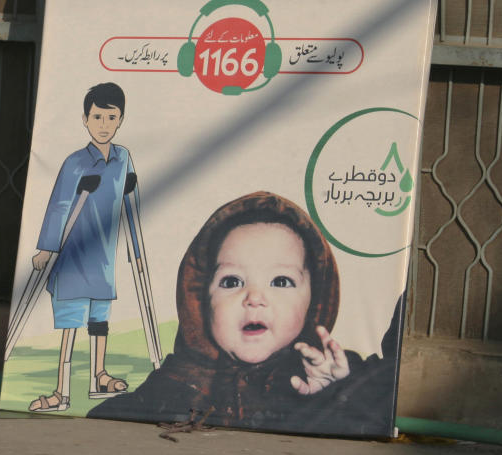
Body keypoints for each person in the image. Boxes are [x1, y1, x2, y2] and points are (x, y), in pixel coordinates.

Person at [88, 191, 401, 437]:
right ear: (199, 299)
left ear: (314, 302)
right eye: (232, 281)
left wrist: (335, 393)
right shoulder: (175, 382)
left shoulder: (329, 373)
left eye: (280, 281)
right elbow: (100, 422)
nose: (254, 298)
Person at [27, 82, 143, 412]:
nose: (104, 124)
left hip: (103, 256)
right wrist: (47, 249)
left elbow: (130, 197)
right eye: (97, 117)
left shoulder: (123, 158)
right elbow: (60, 205)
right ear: (85, 119)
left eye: (111, 117)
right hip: (73, 256)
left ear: (120, 119)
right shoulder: (75, 163)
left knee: (99, 320)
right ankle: (61, 392)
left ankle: (99, 376)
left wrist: (135, 246)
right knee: (70, 323)